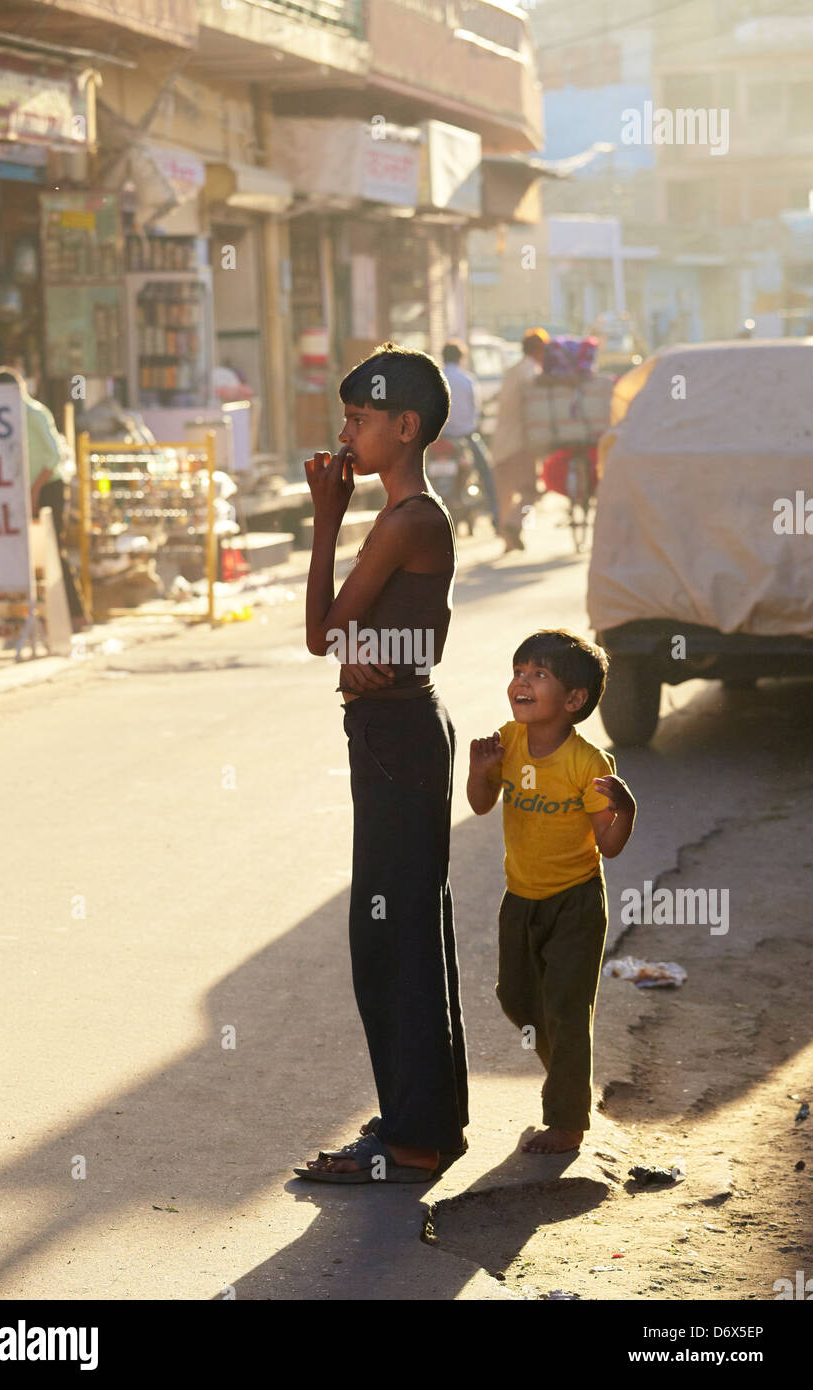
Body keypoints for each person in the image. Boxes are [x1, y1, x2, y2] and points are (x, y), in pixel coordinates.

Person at [295, 341, 469, 1183]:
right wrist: (363, 643)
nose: (346, 435)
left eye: (360, 419)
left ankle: (410, 1137)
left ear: (406, 427)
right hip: (396, 735)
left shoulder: (408, 519)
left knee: (390, 937)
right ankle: (428, 1124)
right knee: (408, 931)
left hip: (398, 740)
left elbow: (318, 629)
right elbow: (386, 632)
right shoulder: (407, 518)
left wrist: (325, 513)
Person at [467, 629, 636, 1154]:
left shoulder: (589, 765)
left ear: (573, 700)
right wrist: (479, 772)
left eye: (538, 674)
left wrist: (626, 811)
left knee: (565, 1004)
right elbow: (480, 804)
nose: (522, 681)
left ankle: (567, 1121)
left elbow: (609, 845)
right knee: (515, 997)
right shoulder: (508, 740)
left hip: (575, 903)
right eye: (519, 671)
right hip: (520, 897)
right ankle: (567, 1075)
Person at [0, 367, 89, 630]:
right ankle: (30, 617)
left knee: (53, 549)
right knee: (23, 552)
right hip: (21, 489)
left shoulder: (33, 413)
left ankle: (76, 614)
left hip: (48, 487)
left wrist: (34, 492)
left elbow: (52, 457)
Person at [491, 328, 548, 552]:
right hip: (520, 443)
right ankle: (515, 525)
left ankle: (507, 541)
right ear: (538, 350)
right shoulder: (530, 371)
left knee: (505, 493)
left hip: (500, 443)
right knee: (529, 491)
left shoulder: (512, 370)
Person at [439, 340, 500, 533]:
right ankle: (496, 518)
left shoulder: (436, 378)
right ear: (461, 358)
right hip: (465, 436)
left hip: (439, 437)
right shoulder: (467, 380)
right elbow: (475, 410)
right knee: (487, 473)